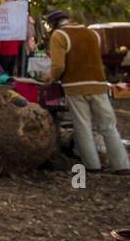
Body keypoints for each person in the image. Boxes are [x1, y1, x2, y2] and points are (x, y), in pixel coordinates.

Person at [41, 10, 129, 175]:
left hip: (76, 87)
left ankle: (92, 165)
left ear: (53, 25)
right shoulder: (92, 33)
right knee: (108, 127)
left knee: (83, 127)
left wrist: (50, 78)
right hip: (98, 84)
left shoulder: (59, 35)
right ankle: (122, 165)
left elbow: (58, 66)